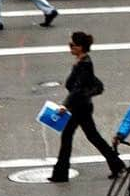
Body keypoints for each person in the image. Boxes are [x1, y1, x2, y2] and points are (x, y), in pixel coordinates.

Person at [49, 31, 124, 183]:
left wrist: (66, 106)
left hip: (80, 107)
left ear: (81, 47)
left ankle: (61, 174)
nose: (69, 47)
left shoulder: (85, 64)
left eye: (72, 45)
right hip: (81, 106)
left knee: (71, 137)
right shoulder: (82, 62)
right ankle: (116, 164)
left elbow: (78, 88)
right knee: (91, 136)